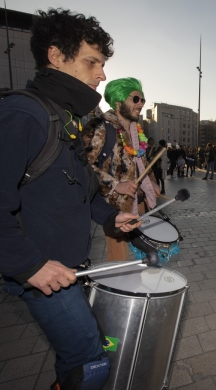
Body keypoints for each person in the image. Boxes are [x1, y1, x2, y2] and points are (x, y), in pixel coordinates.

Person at [0, 9, 142, 390]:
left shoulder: (64, 118)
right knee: (90, 360)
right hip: (42, 272)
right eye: (92, 62)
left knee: (78, 353)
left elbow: (81, 191)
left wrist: (111, 217)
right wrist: (29, 266)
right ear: (56, 57)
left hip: (64, 268)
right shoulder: (23, 113)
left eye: (103, 65)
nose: (101, 75)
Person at [82, 77, 160, 261]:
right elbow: (83, 166)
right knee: (121, 261)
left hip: (139, 203)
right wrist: (116, 184)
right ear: (118, 102)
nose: (140, 103)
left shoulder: (136, 130)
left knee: (142, 257)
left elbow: (143, 162)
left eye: (142, 100)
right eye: (135, 99)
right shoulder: (100, 126)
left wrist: (153, 183)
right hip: (115, 207)